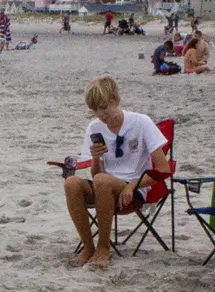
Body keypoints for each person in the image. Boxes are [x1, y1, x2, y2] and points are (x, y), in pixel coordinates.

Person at [61, 75, 169, 268]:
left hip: (135, 188)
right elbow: (96, 174)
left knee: (103, 180)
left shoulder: (141, 122)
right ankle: (88, 247)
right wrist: (95, 158)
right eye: (94, 110)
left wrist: (132, 185)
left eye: (103, 107)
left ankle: (104, 247)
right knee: (71, 183)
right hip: (105, 186)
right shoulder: (95, 127)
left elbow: (163, 168)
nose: (100, 114)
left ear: (116, 100)